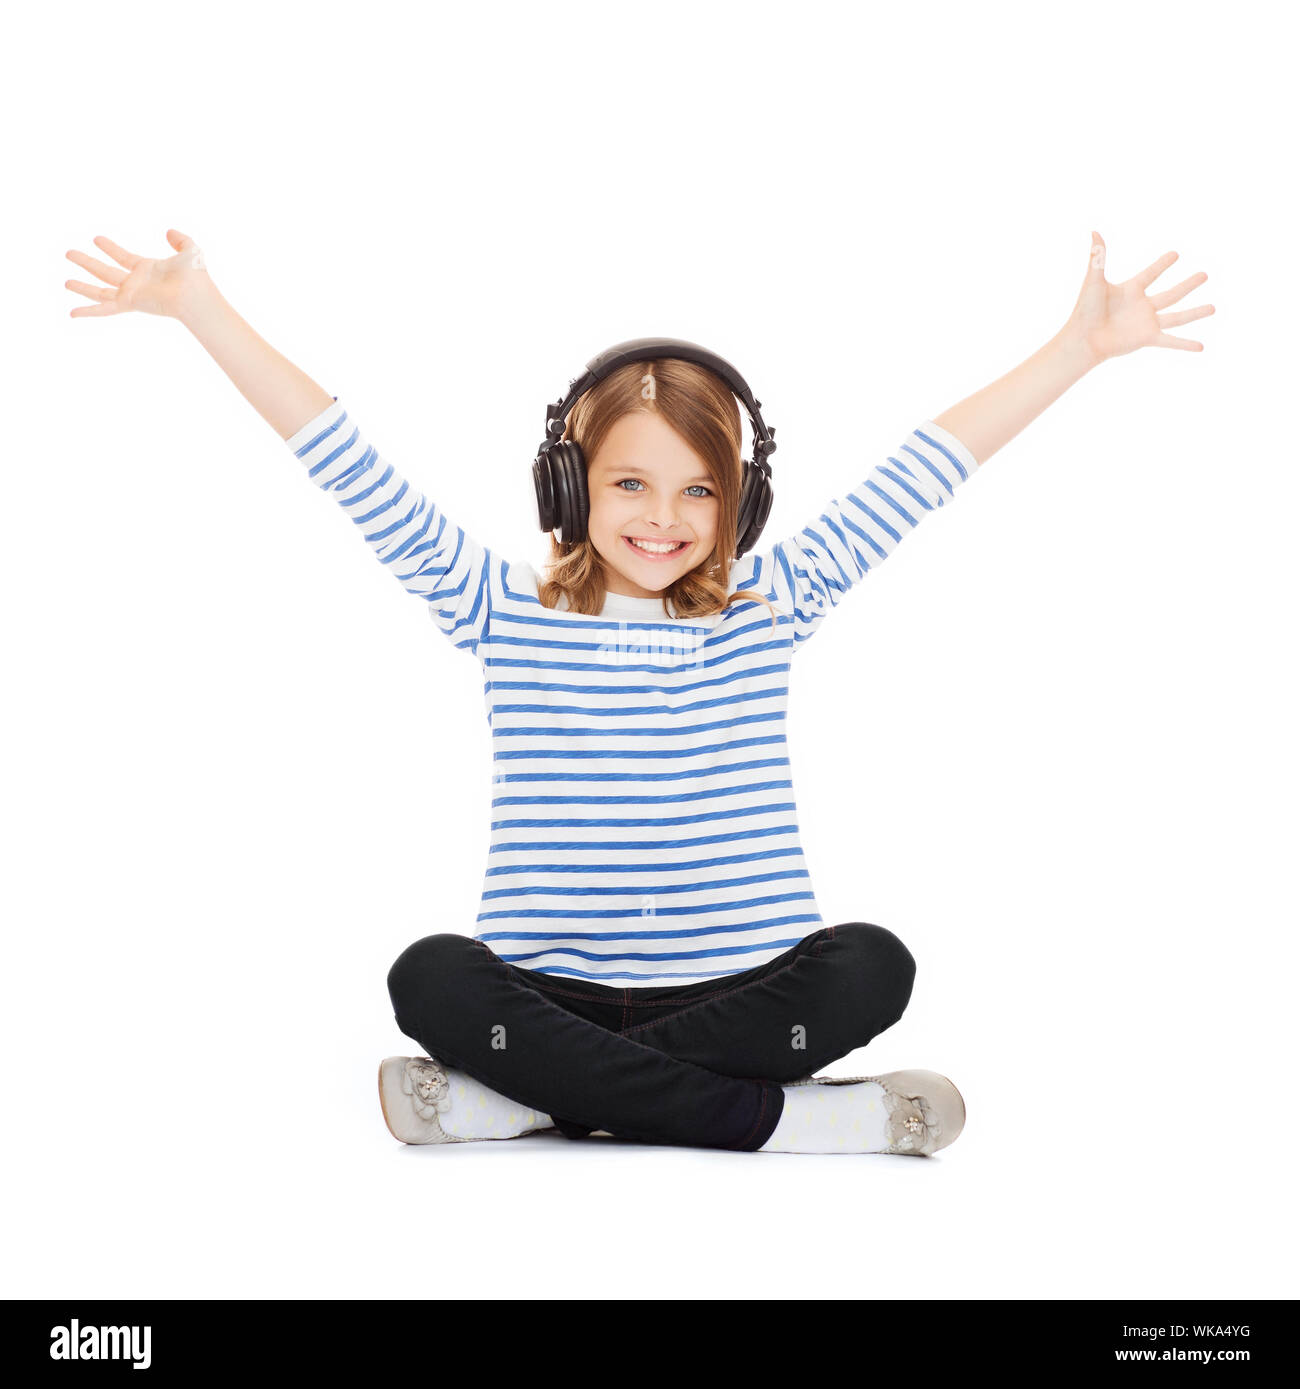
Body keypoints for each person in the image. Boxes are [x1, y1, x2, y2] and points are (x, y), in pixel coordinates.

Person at [64, 229, 1213, 1156]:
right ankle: (786, 1126)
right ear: (569, 481)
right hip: (544, 994)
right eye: (627, 482)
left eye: (697, 493)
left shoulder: (777, 598)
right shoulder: (497, 605)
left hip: (743, 991)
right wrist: (202, 309)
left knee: (874, 963)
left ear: (737, 507)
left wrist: (1079, 348)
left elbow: (925, 469)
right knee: (427, 974)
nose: (661, 519)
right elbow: (342, 456)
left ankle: (526, 1108)